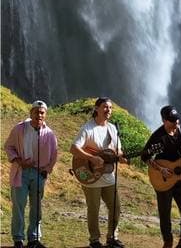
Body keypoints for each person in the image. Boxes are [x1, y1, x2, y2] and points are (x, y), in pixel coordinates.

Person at [141, 105, 181, 248]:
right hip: (162, 179)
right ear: (164, 120)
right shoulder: (158, 136)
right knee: (165, 212)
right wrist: (160, 169)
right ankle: (168, 240)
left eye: (177, 119)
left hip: (179, 179)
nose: (176, 123)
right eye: (172, 120)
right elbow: (145, 156)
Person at [70, 97, 126, 248]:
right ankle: (94, 240)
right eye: (105, 107)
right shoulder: (88, 128)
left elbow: (118, 149)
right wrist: (92, 158)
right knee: (93, 208)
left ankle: (112, 237)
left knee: (116, 206)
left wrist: (120, 157)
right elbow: (74, 148)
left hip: (108, 175)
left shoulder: (112, 129)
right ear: (96, 109)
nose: (108, 110)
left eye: (110, 107)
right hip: (90, 174)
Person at [4, 100, 58, 248]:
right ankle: (18, 239)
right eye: (36, 112)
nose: (39, 115)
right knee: (18, 206)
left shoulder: (49, 133)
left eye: (42, 113)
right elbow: (9, 147)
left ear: (45, 115)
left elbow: (54, 154)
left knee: (36, 208)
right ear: (31, 112)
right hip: (20, 172)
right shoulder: (19, 129)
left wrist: (47, 170)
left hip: (39, 174)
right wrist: (18, 160)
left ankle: (34, 238)